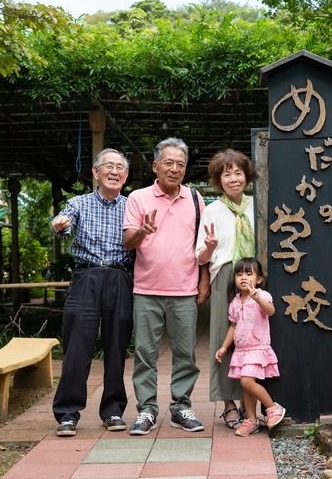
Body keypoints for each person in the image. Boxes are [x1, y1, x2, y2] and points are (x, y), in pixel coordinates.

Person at [123, 137, 210, 435]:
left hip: (184, 290)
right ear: (155, 165)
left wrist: (204, 281)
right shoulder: (138, 198)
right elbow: (127, 242)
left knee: (186, 354)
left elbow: (202, 248)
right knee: (145, 354)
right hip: (146, 290)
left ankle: (180, 407)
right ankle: (146, 410)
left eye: (180, 164)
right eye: (168, 163)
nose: (174, 169)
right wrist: (142, 232)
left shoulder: (196, 200)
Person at [51, 148, 135, 437]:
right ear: (96, 172)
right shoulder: (78, 203)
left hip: (120, 276)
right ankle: (67, 414)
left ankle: (112, 410)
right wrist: (60, 225)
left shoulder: (132, 205)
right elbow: (64, 221)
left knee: (117, 347)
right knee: (77, 346)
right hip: (86, 276)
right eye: (108, 166)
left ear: (126, 176)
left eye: (120, 167)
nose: (114, 171)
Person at [196, 149, 255, 430]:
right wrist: (207, 248)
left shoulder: (258, 205)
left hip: (254, 280)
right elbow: (201, 256)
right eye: (226, 173)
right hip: (225, 278)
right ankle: (228, 404)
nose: (233, 178)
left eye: (238, 172)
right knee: (225, 339)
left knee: (253, 339)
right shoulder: (212, 210)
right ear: (218, 180)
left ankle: (249, 399)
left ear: (247, 175)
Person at [214, 257, 286, 436]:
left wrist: (258, 298)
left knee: (247, 382)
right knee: (246, 385)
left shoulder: (263, 296)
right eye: (239, 274)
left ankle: (272, 408)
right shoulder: (235, 302)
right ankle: (251, 420)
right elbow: (233, 326)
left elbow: (270, 311)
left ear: (259, 279)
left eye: (248, 273)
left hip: (257, 349)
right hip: (241, 351)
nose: (243, 277)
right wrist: (224, 347)